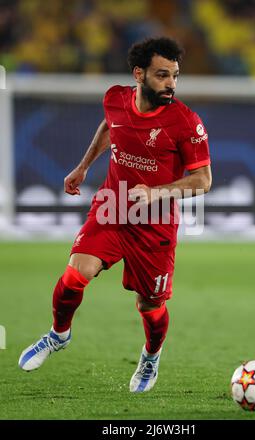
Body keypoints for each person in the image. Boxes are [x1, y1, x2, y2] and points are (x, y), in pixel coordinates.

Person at [18, 37, 212, 393]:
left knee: (149, 304)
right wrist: (83, 167)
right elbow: (110, 127)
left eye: (175, 76)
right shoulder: (115, 98)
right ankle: (58, 335)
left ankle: (150, 357)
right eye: (162, 75)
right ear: (139, 74)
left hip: (155, 222)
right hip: (113, 206)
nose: (171, 84)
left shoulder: (185, 122)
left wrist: (155, 192)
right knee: (76, 273)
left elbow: (203, 180)